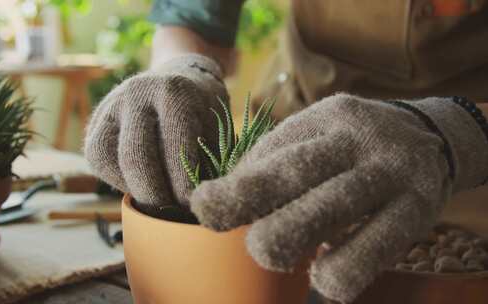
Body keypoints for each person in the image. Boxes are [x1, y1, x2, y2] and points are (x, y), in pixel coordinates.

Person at [84, 1, 488, 302]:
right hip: (295, 134)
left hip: (465, 161)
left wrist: (457, 129)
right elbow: (191, 17)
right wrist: (183, 68)